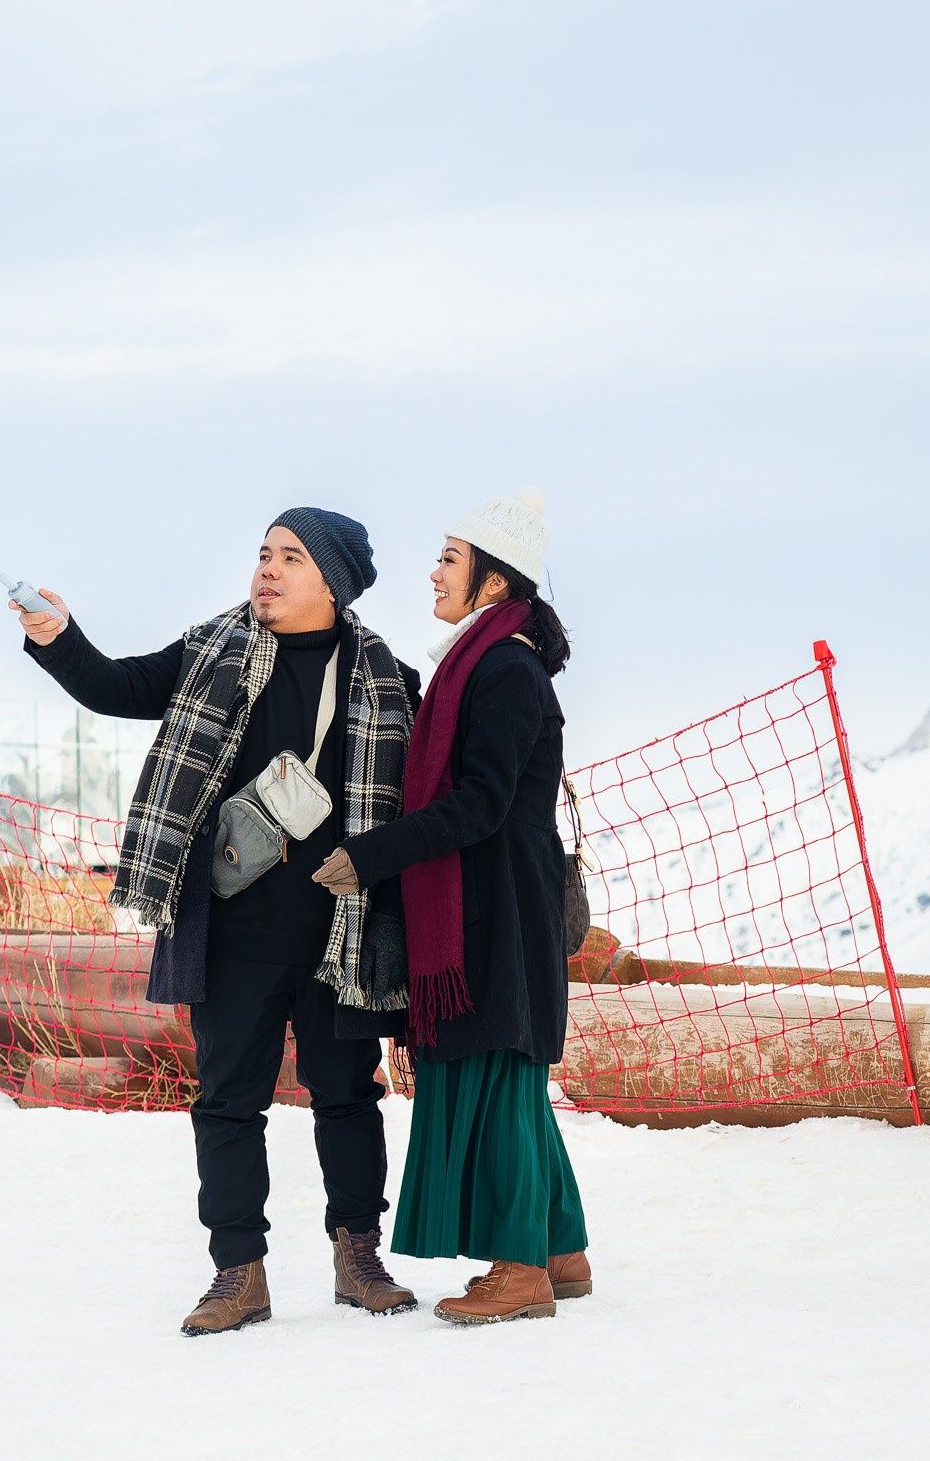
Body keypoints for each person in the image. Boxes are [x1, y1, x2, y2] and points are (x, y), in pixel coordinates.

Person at [16, 507, 423, 1335]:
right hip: (233, 926)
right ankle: (239, 1272)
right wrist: (60, 636)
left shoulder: (385, 679)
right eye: (264, 554)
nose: (268, 570)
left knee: (348, 1097)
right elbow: (118, 686)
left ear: (333, 581)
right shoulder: (215, 650)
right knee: (228, 1103)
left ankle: (358, 1256)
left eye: (292, 557)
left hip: (339, 933)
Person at [312, 489, 589, 1326]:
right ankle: (559, 1251)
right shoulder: (482, 661)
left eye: (449, 559)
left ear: (494, 584)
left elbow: (480, 803)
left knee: (501, 1074)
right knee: (507, 1079)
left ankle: (519, 1273)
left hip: (498, 911)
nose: (433, 572)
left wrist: (368, 857)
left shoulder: (502, 670)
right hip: (492, 903)